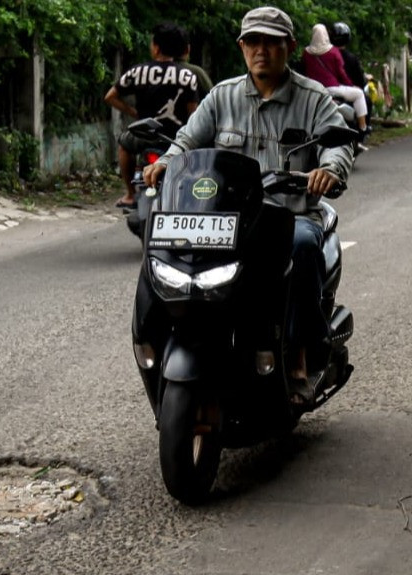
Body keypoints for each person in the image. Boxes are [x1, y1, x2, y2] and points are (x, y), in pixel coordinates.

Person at [139, 6, 353, 406]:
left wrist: (329, 168)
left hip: (289, 214)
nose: (261, 51)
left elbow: (339, 144)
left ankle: (301, 356)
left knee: (304, 244)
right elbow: (187, 141)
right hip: (228, 217)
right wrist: (166, 163)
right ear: (241, 47)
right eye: (253, 42)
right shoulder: (222, 96)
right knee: (164, 243)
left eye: (272, 43)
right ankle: (157, 341)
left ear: (289, 47)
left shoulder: (312, 98)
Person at [104, 22, 204, 209]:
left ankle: (129, 194)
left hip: (143, 135)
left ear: (156, 47)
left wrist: (133, 112)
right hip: (174, 138)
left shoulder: (137, 71)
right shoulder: (187, 75)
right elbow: (193, 112)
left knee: (124, 145)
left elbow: (110, 96)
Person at [301, 23, 370, 142]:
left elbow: (304, 72)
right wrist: (349, 84)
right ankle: (363, 127)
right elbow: (341, 73)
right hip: (333, 88)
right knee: (359, 94)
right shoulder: (333, 51)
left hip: (314, 91)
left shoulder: (306, 53)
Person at [330, 22, 373, 128]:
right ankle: (363, 128)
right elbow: (360, 80)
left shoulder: (325, 56)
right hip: (347, 94)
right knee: (367, 101)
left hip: (328, 93)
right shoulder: (351, 58)